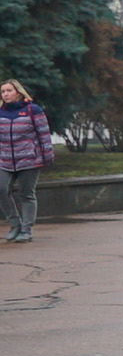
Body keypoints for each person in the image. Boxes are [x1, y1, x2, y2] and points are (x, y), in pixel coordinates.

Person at [0, 79, 54, 243]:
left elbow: (43, 133)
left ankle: (26, 229)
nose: (5, 94)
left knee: (26, 194)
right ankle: (15, 224)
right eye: (3, 92)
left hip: (29, 159)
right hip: (5, 159)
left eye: (9, 90)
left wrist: (47, 155)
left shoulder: (33, 109)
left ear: (18, 91)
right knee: (1, 189)